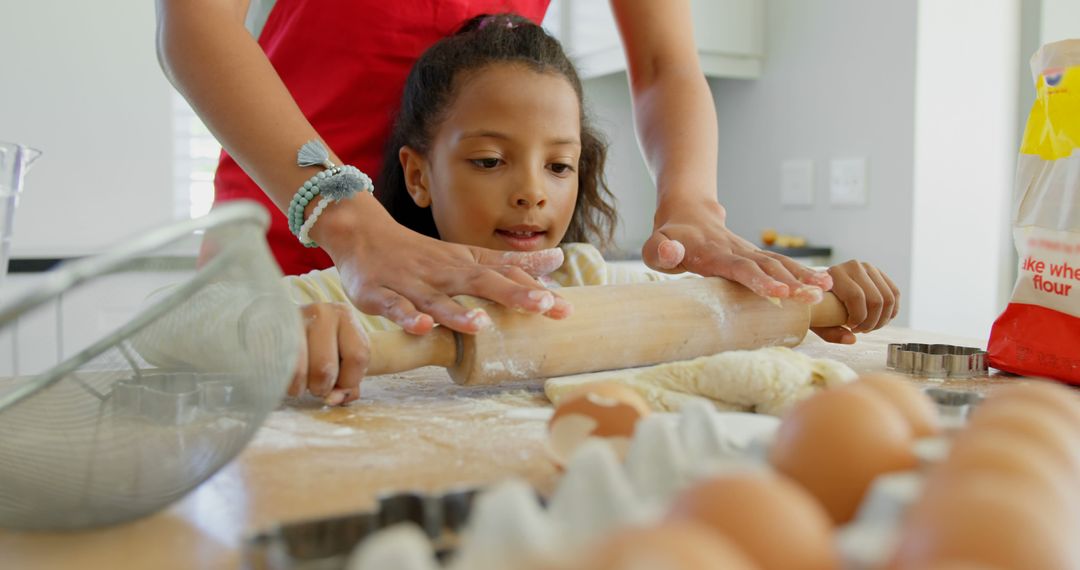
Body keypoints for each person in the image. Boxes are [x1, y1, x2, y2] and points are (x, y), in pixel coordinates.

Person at [282, 15, 901, 405]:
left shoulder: (586, 281)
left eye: (558, 166)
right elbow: (213, 330)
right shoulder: (356, 294)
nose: (533, 193)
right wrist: (294, 333)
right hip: (295, 178)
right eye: (491, 161)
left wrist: (811, 299)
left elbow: (699, 328)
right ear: (419, 175)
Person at [156, 0, 836, 340]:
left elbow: (665, 62)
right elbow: (194, 24)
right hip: (294, 236)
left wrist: (691, 203)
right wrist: (349, 222)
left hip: (482, 275)